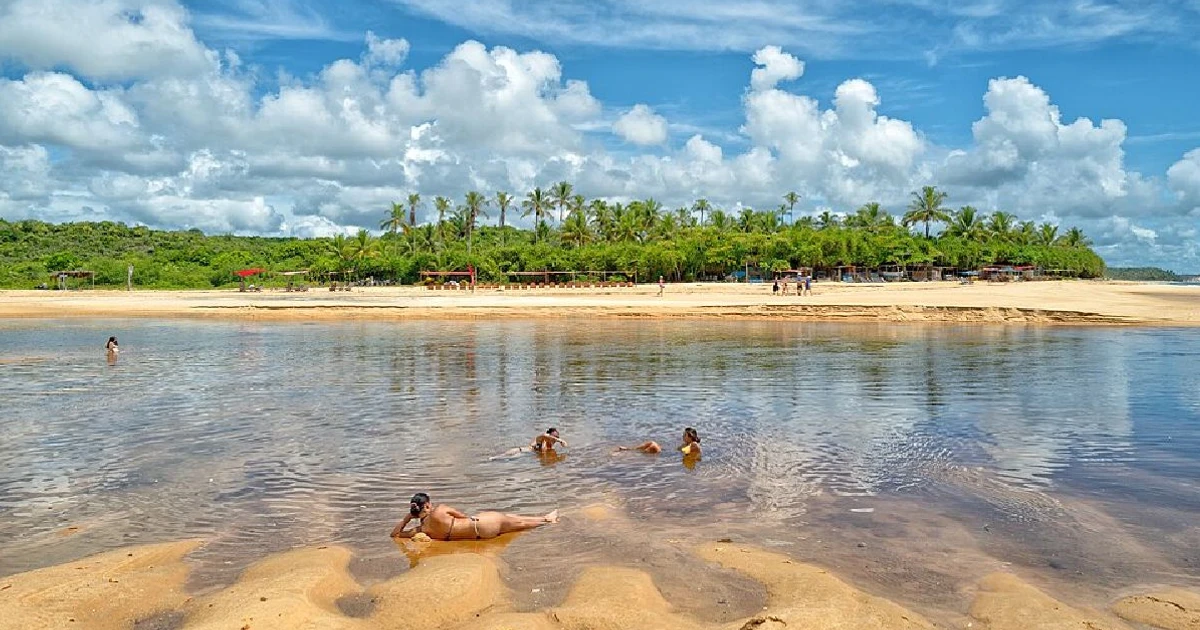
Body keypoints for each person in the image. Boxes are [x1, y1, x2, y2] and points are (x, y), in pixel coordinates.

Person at [391, 493, 558, 541]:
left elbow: (395, 535)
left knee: (517, 524)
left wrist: (406, 519)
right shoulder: (440, 510)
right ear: (427, 505)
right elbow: (462, 516)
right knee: (514, 520)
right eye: (430, 504)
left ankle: (544, 520)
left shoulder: (422, 530)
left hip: (480, 536)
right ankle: (545, 519)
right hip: (480, 524)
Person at [615, 427, 702, 457]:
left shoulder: (693, 444)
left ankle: (629, 454)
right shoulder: (686, 444)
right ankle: (630, 450)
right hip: (667, 452)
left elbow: (696, 448)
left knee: (653, 445)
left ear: (690, 437)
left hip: (667, 456)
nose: (682, 436)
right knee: (651, 443)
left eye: (684, 435)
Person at [492, 428, 567, 459]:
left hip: (527, 456)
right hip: (522, 451)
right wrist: (559, 440)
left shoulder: (551, 442)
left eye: (557, 436)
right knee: (500, 457)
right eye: (554, 436)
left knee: (506, 459)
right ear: (549, 434)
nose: (556, 438)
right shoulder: (542, 438)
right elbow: (545, 436)